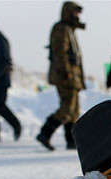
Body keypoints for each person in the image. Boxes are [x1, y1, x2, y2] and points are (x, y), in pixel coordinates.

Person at [36, 1, 85, 151]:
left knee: (73, 110)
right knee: (67, 109)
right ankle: (45, 133)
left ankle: (71, 141)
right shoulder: (61, 29)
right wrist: (67, 73)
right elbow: (60, 53)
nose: (77, 15)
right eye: (75, 12)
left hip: (72, 75)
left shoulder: (69, 29)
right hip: (65, 76)